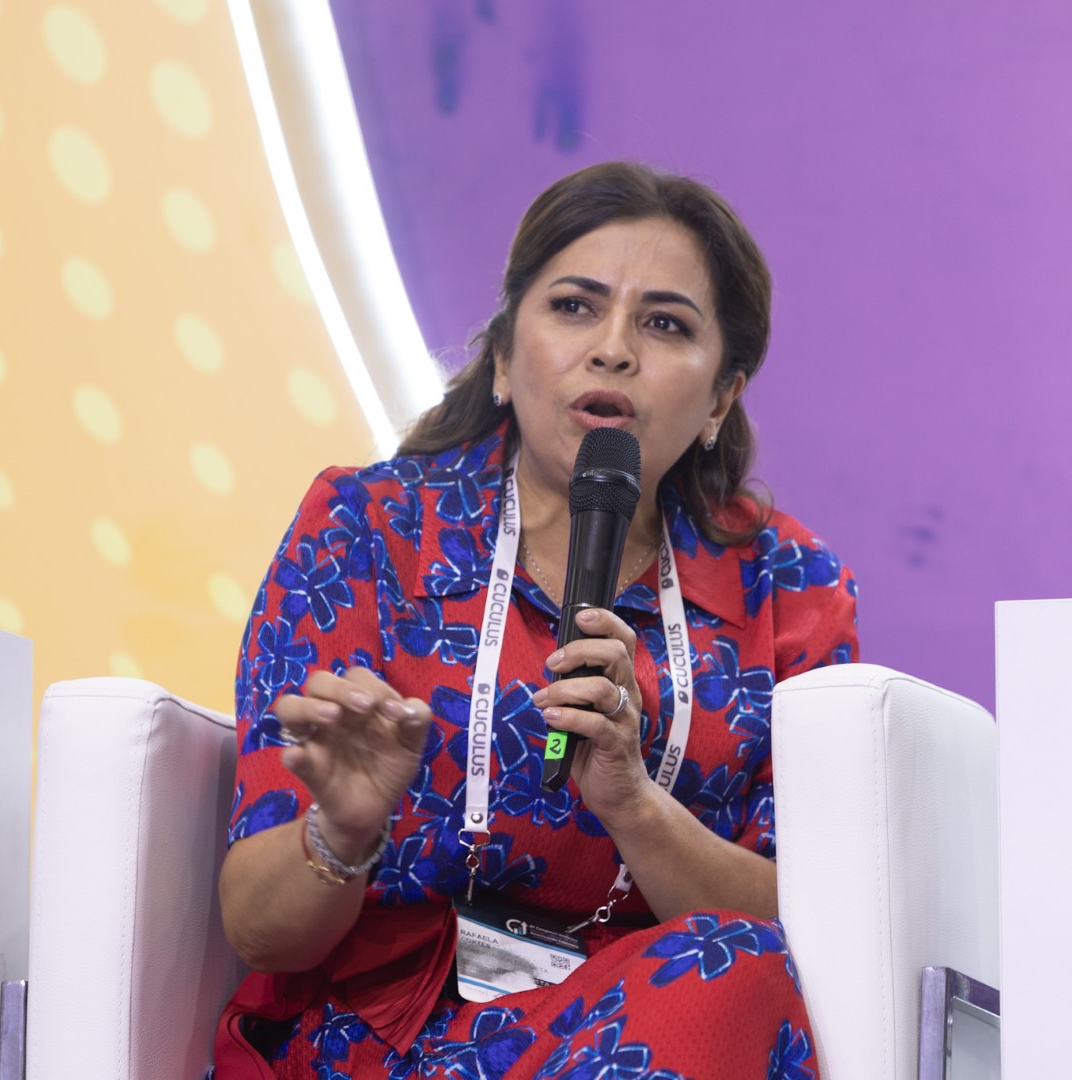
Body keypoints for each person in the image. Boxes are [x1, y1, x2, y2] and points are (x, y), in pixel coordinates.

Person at [214, 161, 858, 1079]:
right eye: (574, 307)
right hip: (390, 1037)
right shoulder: (369, 528)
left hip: (647, 1031)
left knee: (734, 969)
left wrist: (635, 807)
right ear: (504, 359)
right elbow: (258, 931)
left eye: (665, 324)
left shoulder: (786, 586)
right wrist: (341, 833)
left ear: (721, 396)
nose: (614, 349)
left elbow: (823, 928)